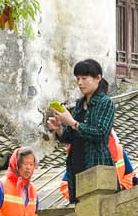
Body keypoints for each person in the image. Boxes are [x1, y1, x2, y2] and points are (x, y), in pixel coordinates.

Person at [45, 59, 115, 204]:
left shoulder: (106, 103)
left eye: (84, 78)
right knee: (80, 205)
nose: (80, 83)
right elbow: (71, 136)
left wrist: (71, 122)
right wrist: (59, 128)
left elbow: (100, 133)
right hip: (76, 161)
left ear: (98, 78)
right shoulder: (79, 104)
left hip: (96, 162)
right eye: (77, 79)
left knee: (98, 205)